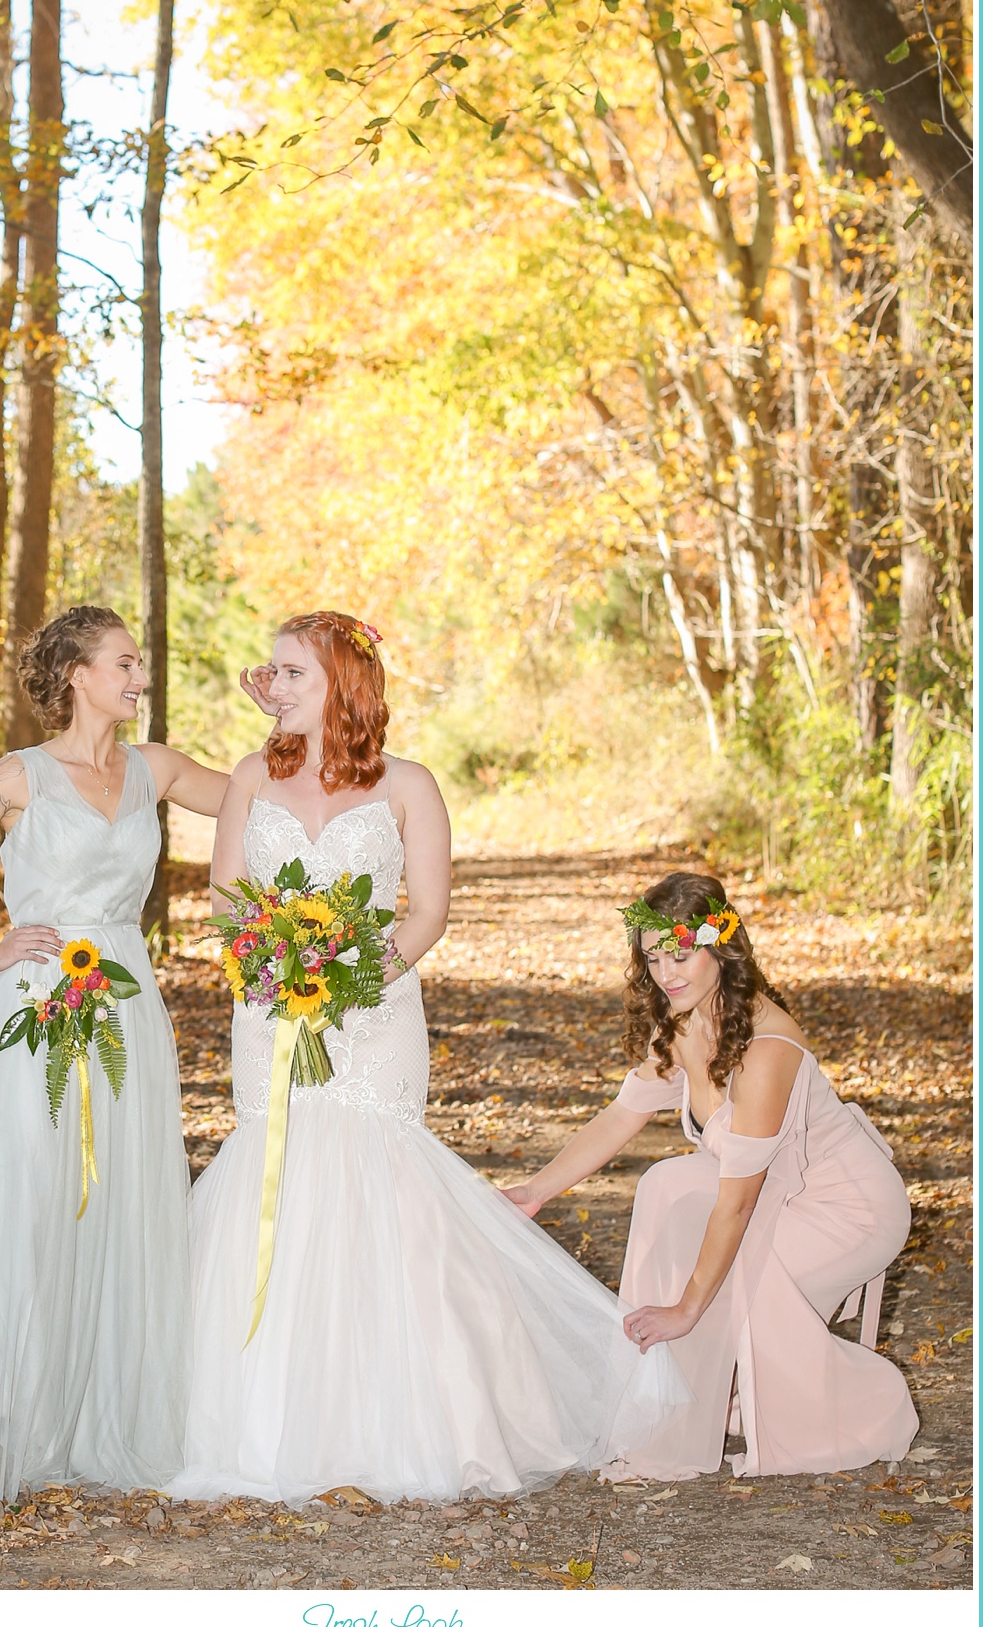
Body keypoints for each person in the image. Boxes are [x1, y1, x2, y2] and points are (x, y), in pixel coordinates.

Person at [171, 610, 686, 1506]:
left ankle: (419, 1416)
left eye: (293, 672)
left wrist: (346, 983)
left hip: (375, 1013)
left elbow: (427, 913)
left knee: (382, 1184)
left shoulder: (409, 783)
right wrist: (275, 972)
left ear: (343, 682)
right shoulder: (255, 773)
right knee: (275, 1176)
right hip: (265, 1012)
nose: (274, 684)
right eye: (273, 673)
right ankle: (266, 1420)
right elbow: (225, 899)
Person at [0, 605, 229, 1499]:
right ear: (77, 674)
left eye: (139, 663)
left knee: (129, 1194)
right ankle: (14, 1409)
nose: (140, 676)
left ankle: (113, 1411)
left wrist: (289, 710)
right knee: (35, 1188)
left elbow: (263, 790)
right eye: (126, 662)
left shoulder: (158, 768)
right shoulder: (17, 776)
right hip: (40, 999)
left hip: (128, 995)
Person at [503, 870, 918, 1480]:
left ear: (720, 945)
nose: (667, 973)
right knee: (665, 1186)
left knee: (728, 1275)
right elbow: (621, 1116)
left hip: (847, 1210)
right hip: (778, 1194)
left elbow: (737, 1204)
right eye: (653, 959)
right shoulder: (682, 1021)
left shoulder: (765, 1047)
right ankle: (666, 1400)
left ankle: (861, 1404)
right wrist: (532, 1192)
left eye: (681, 954)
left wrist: (687, 1310)